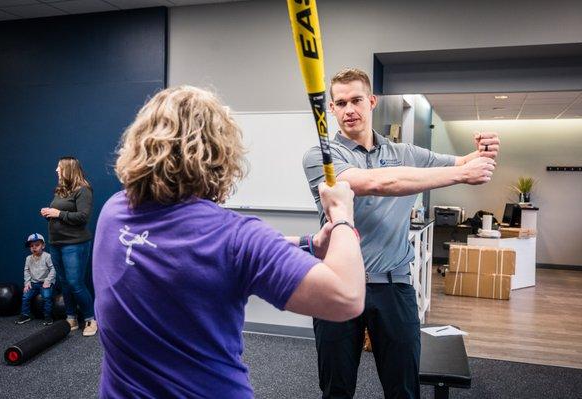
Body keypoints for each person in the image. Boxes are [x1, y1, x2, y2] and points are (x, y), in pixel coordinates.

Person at [92, 85, 366, 398]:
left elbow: (197, 253)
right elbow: (347, 298)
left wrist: (308, 244)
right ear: (219, 154)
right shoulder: (233, 238)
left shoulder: (113, 211)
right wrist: (343, 214)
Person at [302, 67, 501, 399]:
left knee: (404, 390)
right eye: (340, 103)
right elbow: (378, 183)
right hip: (335, 287)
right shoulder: (321, 158)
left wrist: (485, 150)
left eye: (356, 100)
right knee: (336, 390)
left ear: (372, 101)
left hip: (394, 288)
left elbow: (463, 162)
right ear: (332, 110)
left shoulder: (405, 154)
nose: (349, 109)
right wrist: (462, 175)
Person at [40, 156, 97, 336]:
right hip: (56, 243)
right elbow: (61, 213)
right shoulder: (61, 190)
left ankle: (90, 319)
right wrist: (49, 213)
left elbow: (82, 217)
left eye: (59, 167)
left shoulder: (83, 190)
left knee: (75, 283)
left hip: (75, 244)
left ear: (69, 169)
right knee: (64, 283)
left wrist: (58, 213)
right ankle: (71, 317)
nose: (56, 170)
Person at [16, 233, 56, 326]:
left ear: (43, 246)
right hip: (34, 283)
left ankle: (48, 316)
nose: (34, 248)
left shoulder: (47, 256)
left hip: (45, 282)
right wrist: (27, 282)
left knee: (46, 297)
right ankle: (25, 315)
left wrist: (48, 281)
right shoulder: (28, 258)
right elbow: (26, 271)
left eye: (37, 245)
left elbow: (53, 269)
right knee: (25, 296)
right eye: (31, 246)